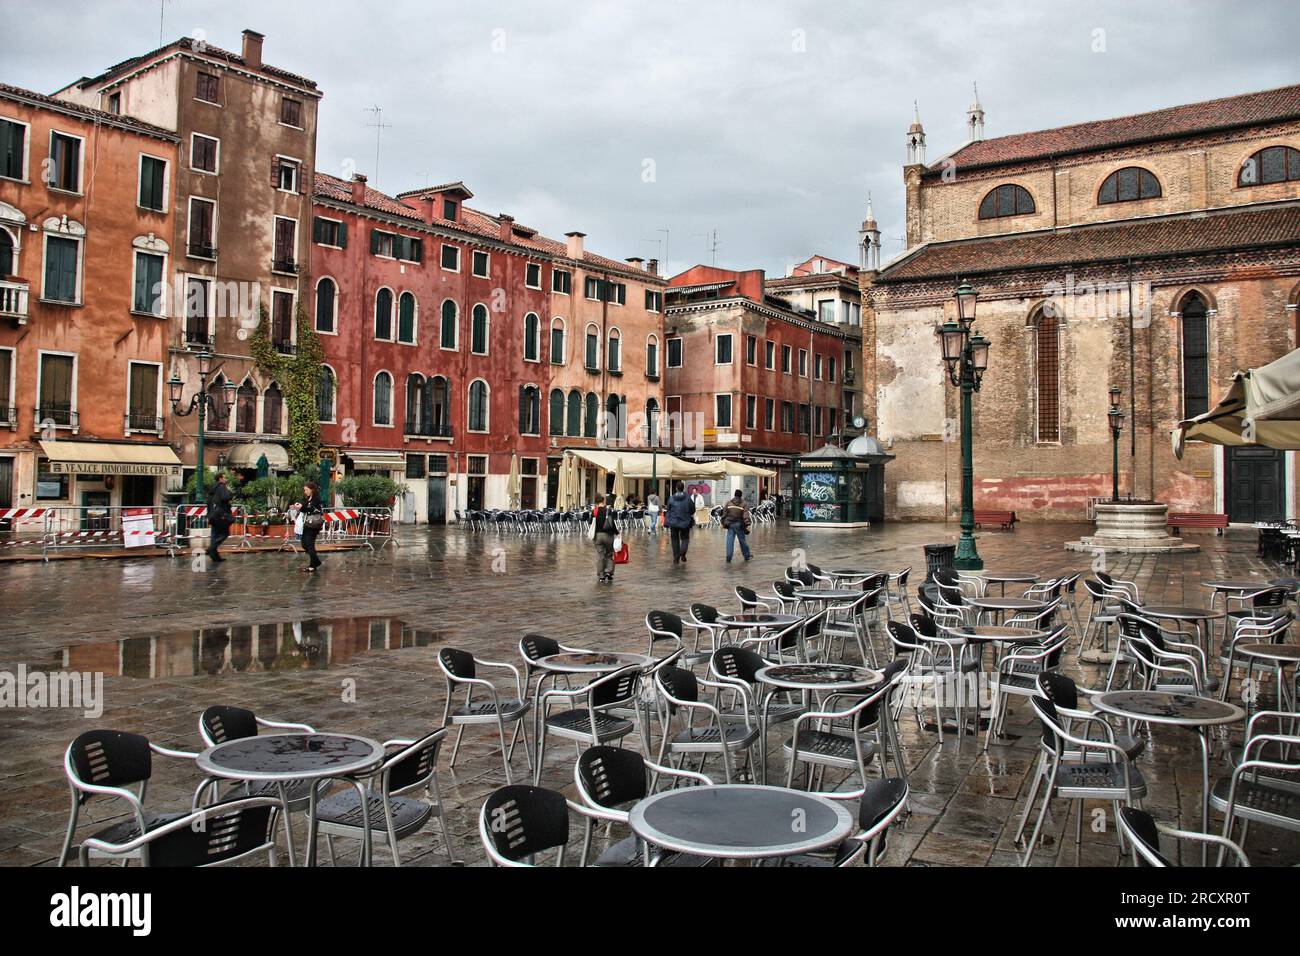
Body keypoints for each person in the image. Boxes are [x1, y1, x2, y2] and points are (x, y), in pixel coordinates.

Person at [292, 481, 325, 572]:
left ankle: (312, 565)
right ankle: (316, 561)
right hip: (307, 523)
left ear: (312, 490)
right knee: (304, 544)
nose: (305, 491)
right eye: (304, 490)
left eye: (307, 489)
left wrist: (301, 507)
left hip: (313, 524)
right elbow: (305, 507)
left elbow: (310, 509)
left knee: (310, 545)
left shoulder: (316, 499)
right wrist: (297, 506)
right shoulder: (308, 498)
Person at [205, 472, 233, 564]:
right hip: (220, 515)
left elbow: (209, 502)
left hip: (212, 515)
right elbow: (226, 497)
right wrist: (229, 491)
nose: (226, 479)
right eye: (224, 478)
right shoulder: (222, 487)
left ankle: (215, 557)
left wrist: (209, 514)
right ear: (220, 479)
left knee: (214, 534)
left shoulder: (212, 489)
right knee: (225, 533)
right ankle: (211, 548)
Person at [664, 480, 694, 565]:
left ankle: (676, 558)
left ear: (676, 488)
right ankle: (682, 552)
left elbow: (668, 508)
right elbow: (692, 509)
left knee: (674, 540)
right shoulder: (688, 498)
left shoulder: (671, 498)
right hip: (685, 521)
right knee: (685, 538)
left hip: (673, 521)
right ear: (683, 488)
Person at [592, 493, 619, 582]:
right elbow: (612, 523)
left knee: (600, 556)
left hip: (598, 536)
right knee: (609, 554)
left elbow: (590, 523)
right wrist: (617, 533)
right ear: (603, 501)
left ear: (596, 502)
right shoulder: (608, 510)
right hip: (608, 535)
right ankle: (609, 573)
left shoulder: (594, 511)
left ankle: (601, 576)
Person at [721, 489, 753, 563]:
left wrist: (722, 522)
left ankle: (728, 557)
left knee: (729, 541)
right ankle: (747, 555)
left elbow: (724, 514)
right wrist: (747, 524)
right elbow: (746, 515)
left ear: (734, 495)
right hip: (739, 525)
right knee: (742, 541)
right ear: (741, 495)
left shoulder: (729, 503)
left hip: (730, 525)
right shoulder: (744, 504)